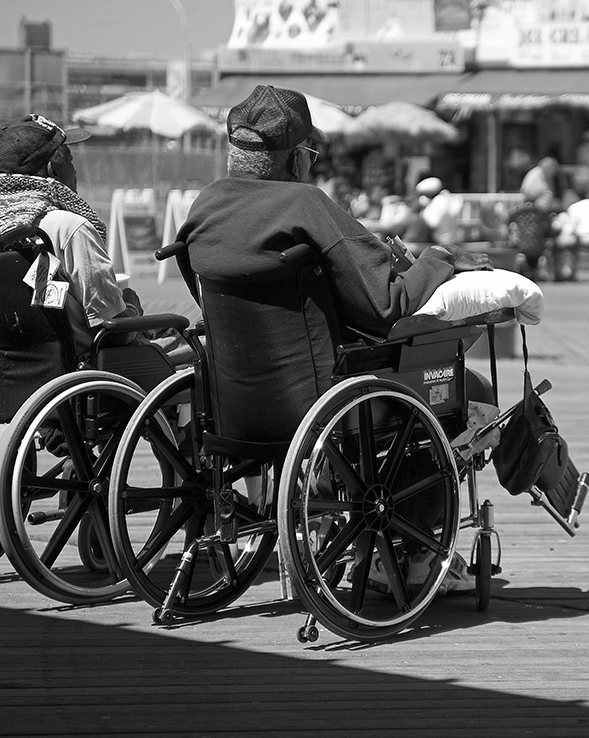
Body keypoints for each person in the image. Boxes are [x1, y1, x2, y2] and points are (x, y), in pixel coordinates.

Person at [178, 84, 492, 591]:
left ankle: (373, 529)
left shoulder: (204, 206)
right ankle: (414, 552)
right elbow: (386, 306)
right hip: (321, 401)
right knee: (467, 391)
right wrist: (438, 258)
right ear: (298, 158)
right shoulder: (305, 204)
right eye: (312, 155)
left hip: (237, 401)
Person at [0, 113, 167, 355]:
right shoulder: (66, 228)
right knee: (186, 346)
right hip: (78, 367)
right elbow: (118, 333)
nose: (75, 171)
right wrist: (130, 307)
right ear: (54, 170)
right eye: (70, 160)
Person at [552, 178, 589, 281]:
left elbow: (570, 229)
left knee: (555, 244)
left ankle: (558, 273)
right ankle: (571, 271)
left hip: (581, 238)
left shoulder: (574, 207)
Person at [416, 176, 465, 245]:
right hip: (455, 239)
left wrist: (425, 209)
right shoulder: (451, 199)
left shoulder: (437, 203)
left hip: (441, 241)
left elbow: (432, 223)